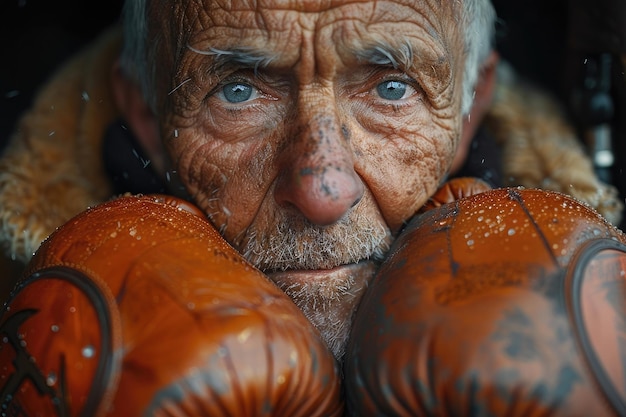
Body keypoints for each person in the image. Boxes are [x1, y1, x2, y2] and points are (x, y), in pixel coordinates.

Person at [0, 0, 497, 360]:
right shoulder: (22, 325)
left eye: (392, 89)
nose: (323, 191)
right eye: (237, 93)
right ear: (147, 118)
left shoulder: (571, 319)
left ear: (469, 110)